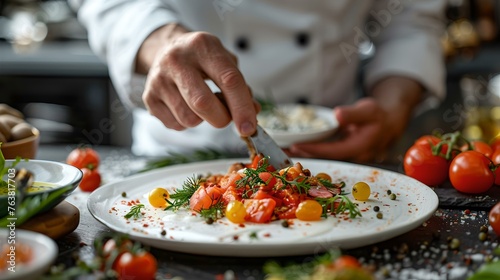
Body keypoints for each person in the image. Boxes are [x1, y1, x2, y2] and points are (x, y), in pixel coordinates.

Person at [76, 1, 446, 163]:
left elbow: (410, 20)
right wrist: (161, 41)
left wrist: (393, 106)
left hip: (331, 151)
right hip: (179, 149)